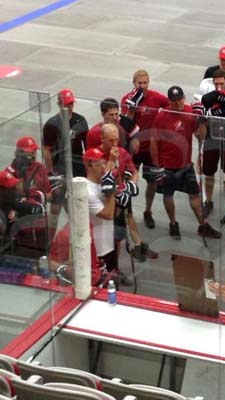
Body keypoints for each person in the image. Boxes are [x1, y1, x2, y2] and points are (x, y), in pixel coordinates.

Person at [150, 85, 221, 240]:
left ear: (184, 98)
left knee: (194, 195)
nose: (178, 103)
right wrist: (156, 165)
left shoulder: (191, 113)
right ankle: (173, 223)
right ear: (169, 101)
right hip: (167, 166)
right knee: (168, 196)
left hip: (185, 165)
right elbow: (154, 141)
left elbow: (201, 136)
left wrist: (202, 121)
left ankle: (203, 225)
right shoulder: (161, 117)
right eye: (174, 101)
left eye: (180, 99)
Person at [96, 123, 157, 262]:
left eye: (116, 140)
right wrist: (111, 161)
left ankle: (137, 244)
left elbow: (134, 172)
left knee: (129, 216)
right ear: (102, 138)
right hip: (106, 199)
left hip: (122, 192)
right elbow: (101, 180)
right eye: (111, 140)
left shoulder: (122, 152)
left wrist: (130, 186)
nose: (114, 143)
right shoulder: (96, 157)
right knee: (112, 233)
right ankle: (112, 264)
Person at [120, 70, 170, 229]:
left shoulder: (155, 97)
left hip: (150, 147)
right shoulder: (126, 99)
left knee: (152, 181)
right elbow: (125, 124)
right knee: (127, 179)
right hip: (133, 147)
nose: (142, 86)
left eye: (145, 83)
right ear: (133, 83)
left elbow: (170, 106)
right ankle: (127, 212)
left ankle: (147, 211)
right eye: (139, 83)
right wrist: (132, 107)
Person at [42, 89, 89, 236]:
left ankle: (79, 236)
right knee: (55, 208)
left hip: (77, 167)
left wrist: (88, 168)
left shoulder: (80, 120)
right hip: (59, 169)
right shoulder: (52, 124)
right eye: (66, 104)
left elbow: (87, 146)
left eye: (71, 104)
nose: (69, 107)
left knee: (77, 205)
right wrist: (50, 173)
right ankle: (49, 240)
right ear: (58, 104)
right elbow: (46, 151)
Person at [82, 147, 130, 287]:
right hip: (98, 248)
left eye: (104, 163)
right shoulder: (88, 191)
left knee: (114, 287)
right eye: (99, 164)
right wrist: (111, 193)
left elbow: (114, 212)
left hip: (109, 244)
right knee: (102, 288)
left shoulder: (101, 184)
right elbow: (108, 215)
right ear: (89, 165)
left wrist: (121, 198)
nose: (103, 167)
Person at [199, 69, 225, 218]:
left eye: (221, 84)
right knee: (209, 171)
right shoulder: (207, 98)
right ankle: (208, 201)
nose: (219, 87)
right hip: (212, 136)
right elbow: (204, 119)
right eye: (216, 84)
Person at [5, 137, 50, 258]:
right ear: (18, 153)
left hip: (40, 225)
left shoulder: (40, 168)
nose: (34, 155)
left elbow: (49, 194)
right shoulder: (8, 175)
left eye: (34, 151)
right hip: (22, 232)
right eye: (30, 152)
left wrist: (37, 198)